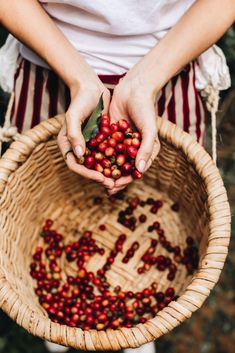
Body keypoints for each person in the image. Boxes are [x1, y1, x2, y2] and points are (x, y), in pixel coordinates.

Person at [0, 1, 233, 352]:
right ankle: (59, 329)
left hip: (170, 63)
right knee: (45, 199)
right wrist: (79, 77)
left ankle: (135, 331)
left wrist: (145, 81)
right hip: (51, 63)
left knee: (151, 187)